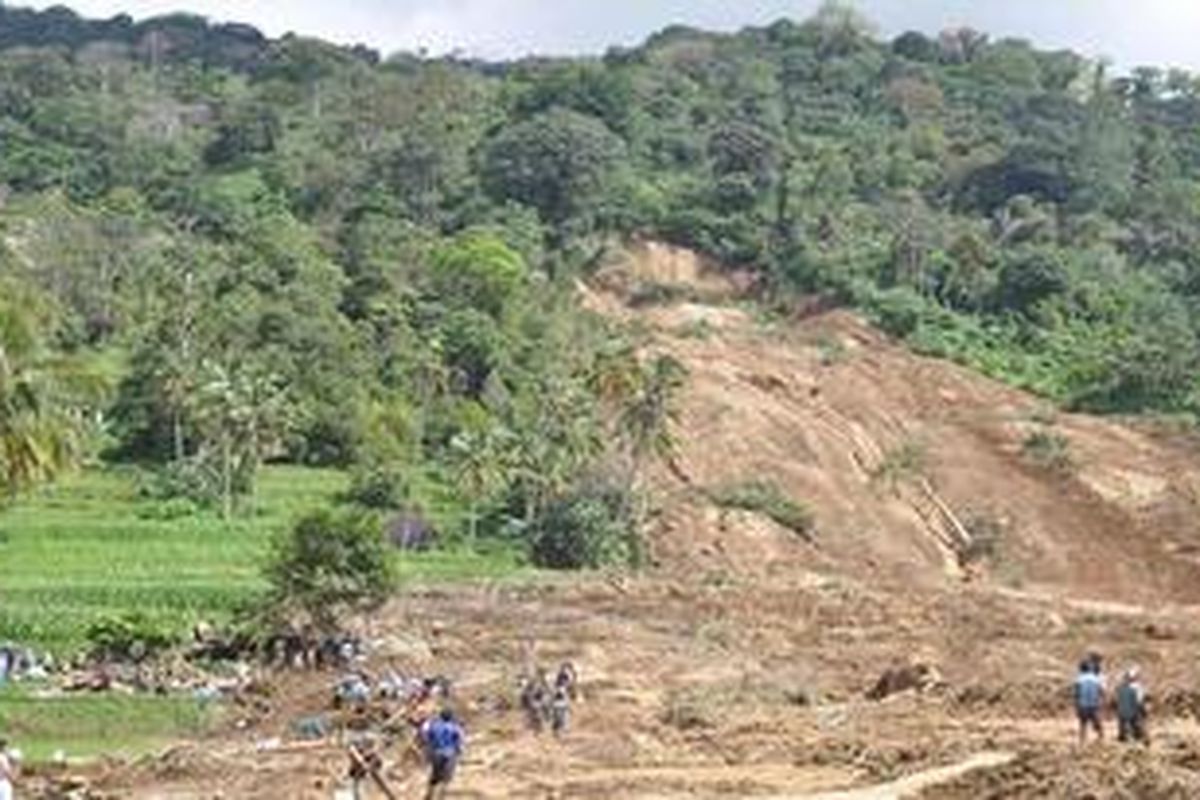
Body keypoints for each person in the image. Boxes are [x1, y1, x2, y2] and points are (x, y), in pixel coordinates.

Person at [422, 708, 464, 800]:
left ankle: (429, 794)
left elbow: (426, 736)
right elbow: (459, 740)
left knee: (435, 775)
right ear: (451, 717)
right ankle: (441, 797)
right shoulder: (455, 727)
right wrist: (459, 750)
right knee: (446, 778)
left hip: (436, 753)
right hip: (450, 754)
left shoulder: (434, 726)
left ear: (440, 716)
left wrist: (429, 749)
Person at [1074, 658, 1106, 743]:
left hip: (1083, 704)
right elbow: (1101, 691)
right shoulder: (1095, 678)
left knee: (1083, 724)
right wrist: (1101, 700)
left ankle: (1082, 740)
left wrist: (1077, 704)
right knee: (1097, 722)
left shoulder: (1079, 679)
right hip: (1093, 704)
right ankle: (1101, 737)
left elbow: (1076, 693)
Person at [1116, 667, 1148, 744]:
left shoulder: (1121, 688)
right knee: (1139, 721)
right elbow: (1139, 701)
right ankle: (1139, 735)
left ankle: (1124, 734)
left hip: (1122, 712)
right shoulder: (1136, 687)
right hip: (1133, 710)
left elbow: (1118, 701)